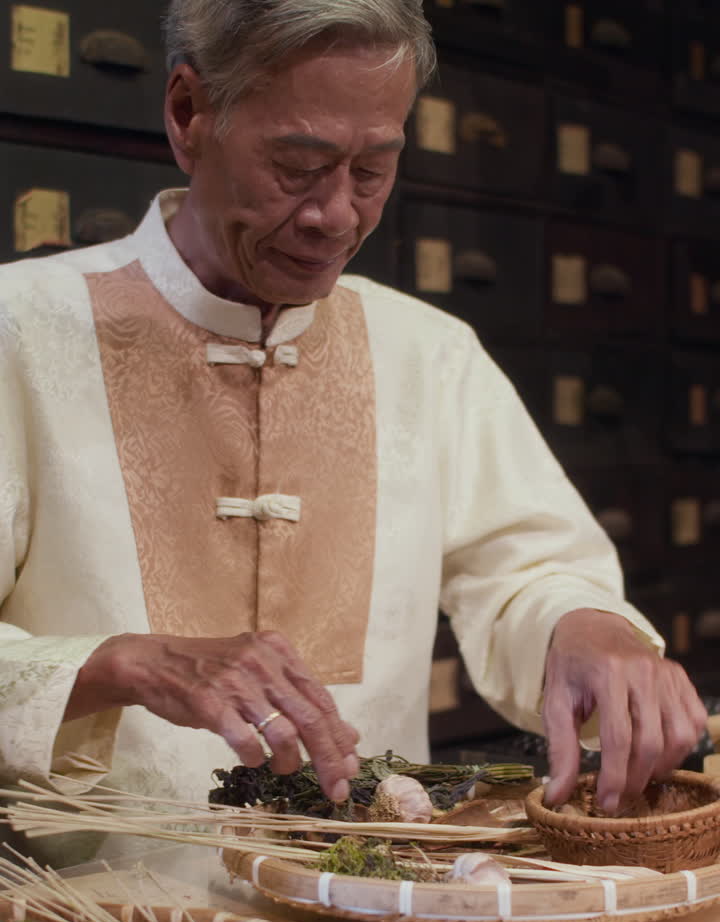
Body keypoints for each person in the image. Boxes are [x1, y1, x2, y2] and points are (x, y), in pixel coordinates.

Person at [0, 0, 706, 865]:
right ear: (189, 114)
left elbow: (529, 569)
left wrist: (587, 625)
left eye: (373, 170)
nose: (336, 216)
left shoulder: (430, 354)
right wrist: (119, 664)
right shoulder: (21, 332)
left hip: (372, 918)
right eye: (297, 166)